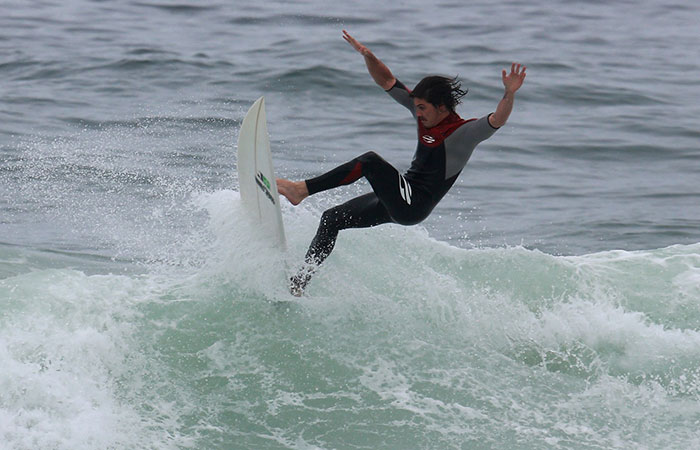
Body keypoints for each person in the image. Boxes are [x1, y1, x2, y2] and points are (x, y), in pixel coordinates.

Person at [277, 30, 526, 296]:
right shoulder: (424, 116)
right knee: (331, 219)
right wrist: (367, 55)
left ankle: (300, 190)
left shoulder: (464, 133)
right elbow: (388, 81)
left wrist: (509, 93)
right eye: (416, 107)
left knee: (370, 161)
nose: (417, 113)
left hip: (414, 204)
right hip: (398, 197)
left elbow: (497, 120)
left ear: (442, 107)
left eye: (422, 108)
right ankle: (299, 283)